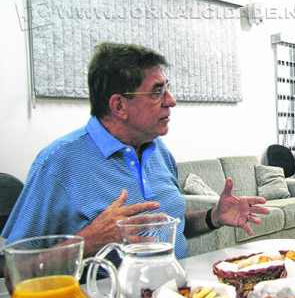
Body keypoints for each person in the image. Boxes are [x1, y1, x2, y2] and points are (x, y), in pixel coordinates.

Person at [1, 42, 269, 258]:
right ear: (119, 106)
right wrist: (88, 241)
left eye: (168, 89)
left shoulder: (159, 152)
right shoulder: (59, 162)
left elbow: (169, 229)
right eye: (157, 92)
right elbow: (13, 267)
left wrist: (214, 217)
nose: (171, 101)